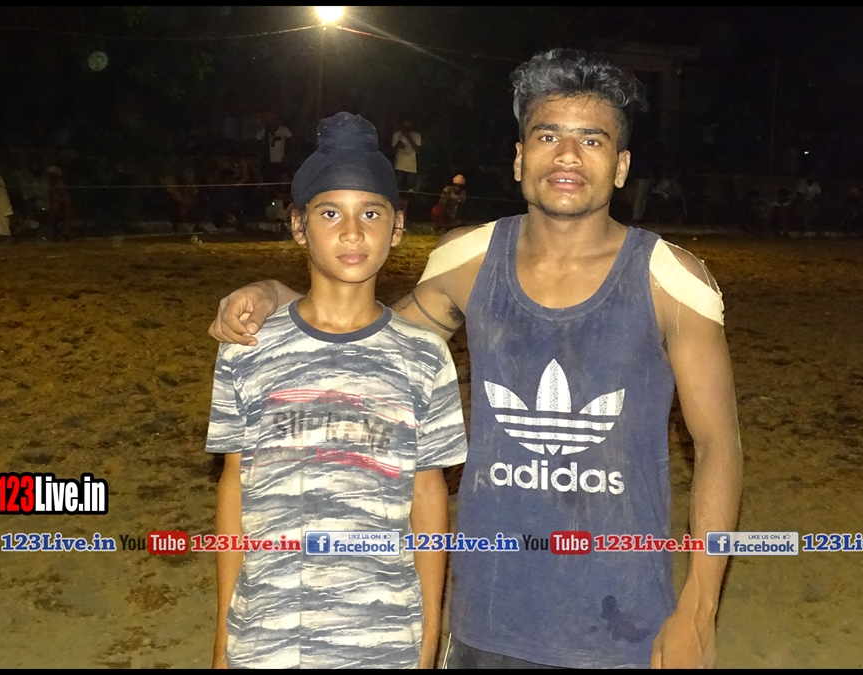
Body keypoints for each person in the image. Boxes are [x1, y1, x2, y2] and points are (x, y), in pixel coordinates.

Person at [208, 48, 742, 669]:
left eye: (592, 140)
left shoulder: (670, 278)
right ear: (519, 157)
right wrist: (276, 293)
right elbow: (365, 339)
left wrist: (698, 611)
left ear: (621, 166)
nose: (568, 155)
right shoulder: (468, 260)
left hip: (622, 622)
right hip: (487, 619)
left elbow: (719, 446)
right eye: (548, 135)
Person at [207, 112, 467, 669]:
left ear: (397, 228)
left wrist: (427, 642)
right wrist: (224, 640)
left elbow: (428, 499)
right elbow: (234, 490)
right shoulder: (247, 347)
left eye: (371, 213)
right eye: (330, 213)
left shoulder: (424, 356)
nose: (353, 232)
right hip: (268, 637)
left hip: (383, 639)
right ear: (298, 225)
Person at [256, 112, 292, 181]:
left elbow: (291, 141)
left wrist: (287, 155)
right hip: (267, 162)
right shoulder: (263, 132)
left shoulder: (284, 130)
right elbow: (256, 142)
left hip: (280, 160)